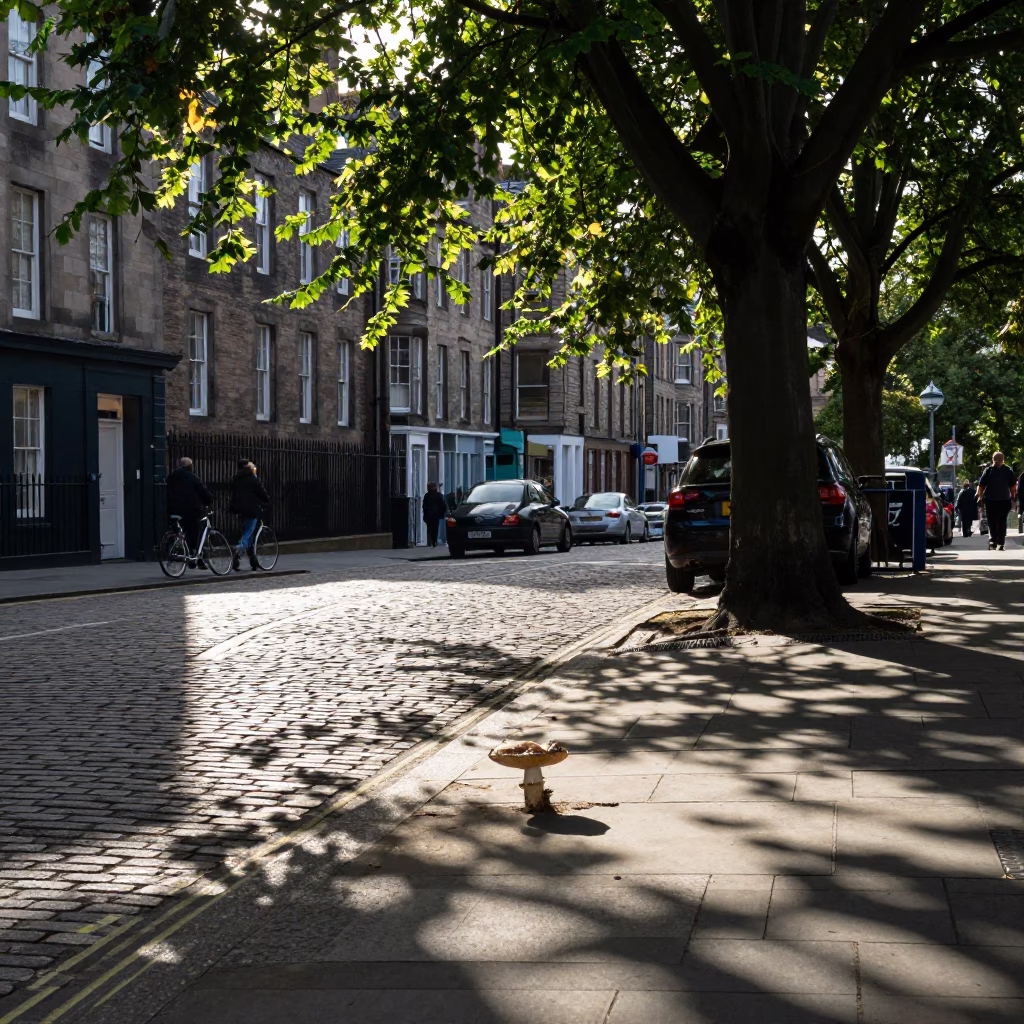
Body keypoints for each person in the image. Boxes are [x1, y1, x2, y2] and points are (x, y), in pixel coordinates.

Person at [165, 457, 212, 565]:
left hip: (172, 509)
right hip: (189, 509)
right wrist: (209, 500)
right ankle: (193, 553)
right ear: (189, 466)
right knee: (195, 529)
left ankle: (179, 547)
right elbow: (202, 490)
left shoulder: (171, 476)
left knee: (182, 529)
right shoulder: (192, 477)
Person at [229, 461, 270, 571]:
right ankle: (239, 548)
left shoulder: (236, 479)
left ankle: (247, 559)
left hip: (239, 510)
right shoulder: (254, 479)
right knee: (249, 533)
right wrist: (267, 501)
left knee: (247, 533)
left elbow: (234, 494)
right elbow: (263, 494)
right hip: (251, 510)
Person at [977, 452, 1017, 551]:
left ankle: (994, 540)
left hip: (993, 501)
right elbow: (1013, 487)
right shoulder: (1008, 470)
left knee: (993, 521)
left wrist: (980, 497)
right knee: (1001, 522)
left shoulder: (989, 470)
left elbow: (981, 486)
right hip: (1002, 500)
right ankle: (999, 542)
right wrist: (1013, 498)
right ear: (1003, 460)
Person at [422, 481, 447, 548]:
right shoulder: (438, 495)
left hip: (429, 515)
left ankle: (431, 541)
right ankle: (434, 541)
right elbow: (443, 505)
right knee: (435, 528)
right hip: (436, 515)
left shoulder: (427, 496)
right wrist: (442, 512)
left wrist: (425, 515)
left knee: (430, 528)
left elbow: (424, 506)